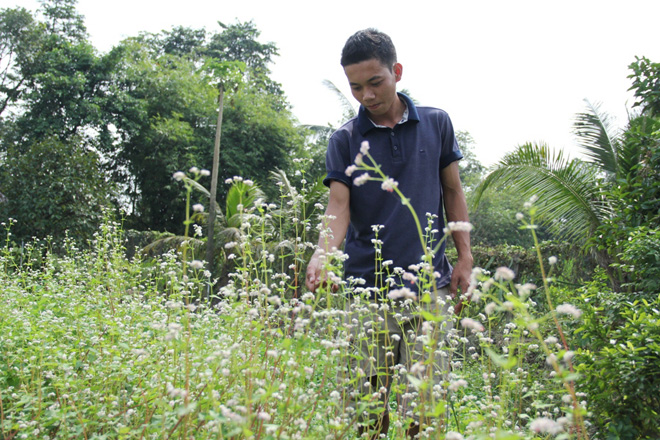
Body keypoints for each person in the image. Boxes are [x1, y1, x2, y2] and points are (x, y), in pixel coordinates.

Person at [305, 28, 472, 439]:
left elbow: (452, 190)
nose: (366, 95)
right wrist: (321, 254)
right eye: (356, 87)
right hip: (368, 288)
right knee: (366, 408)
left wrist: (465, 256)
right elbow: (338, 207)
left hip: (431, 289)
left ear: (396, 72)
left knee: (426, 408)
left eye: (375, 82)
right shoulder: (344, 139)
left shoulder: (436, 123)